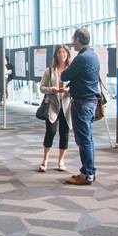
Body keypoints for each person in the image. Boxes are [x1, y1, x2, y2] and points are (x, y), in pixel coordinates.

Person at [60, 28, 100, 185]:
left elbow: (64, 75)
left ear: (78, 39)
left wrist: (65, 64)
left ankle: (86, 174)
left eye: (73, 39)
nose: (72, 42)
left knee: (83, 139)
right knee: (88, 139)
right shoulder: (93, 55)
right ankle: (90, 171)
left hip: (82, 103)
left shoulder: (82, 58)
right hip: (90, 102)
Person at [38, 45, 73, 173]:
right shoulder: (50, 71)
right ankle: (45, 159)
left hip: (66, 105)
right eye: (59, 52)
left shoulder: (71, 70)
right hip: (52, 104)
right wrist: (52, 89)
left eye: (64, 52)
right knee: (50, 131)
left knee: (64, 133)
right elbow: (41, 88)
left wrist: (68, 90)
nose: (61, 55)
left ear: (67, 54)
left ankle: (61, 161)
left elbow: (76, 87)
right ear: (56, 55)